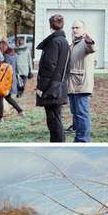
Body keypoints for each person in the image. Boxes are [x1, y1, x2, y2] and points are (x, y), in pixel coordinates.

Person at [36, 14, 70, 142]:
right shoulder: (64, 42)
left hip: (52, 87)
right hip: (59, 85)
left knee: (54, 120)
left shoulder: (54, 42)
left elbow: (49, 66)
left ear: (50, 25)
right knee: (55, 118)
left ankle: (58, 145)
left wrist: (41, 88)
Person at [67, 20, 96, 142]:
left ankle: (84, 140)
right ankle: (79, 138)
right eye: (73, 28)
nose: (74, 30)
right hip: (72, 85)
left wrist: (90, 40)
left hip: (81, 85)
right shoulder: (73, 44)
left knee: (82, 114)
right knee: (76, 114)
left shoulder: (84, 43)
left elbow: (92, 47)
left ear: (83, 29)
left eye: (77, 27)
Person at [0, 40, 24, 122]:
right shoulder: (14, 55)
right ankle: (20, 111)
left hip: (4, 81)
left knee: (0, 97)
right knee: (8, 97)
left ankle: (0, 118)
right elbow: (17, 68)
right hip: (12, 79)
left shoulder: (4, 57)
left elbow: (1, 70)